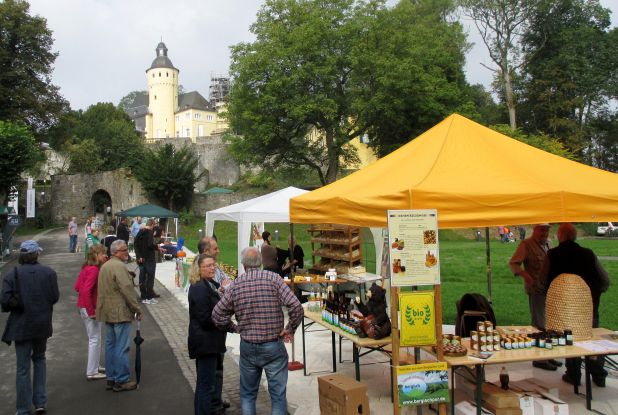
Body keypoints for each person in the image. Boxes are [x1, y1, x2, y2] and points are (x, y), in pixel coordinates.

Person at [212, 247, 303, 415]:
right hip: (273, 345)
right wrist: (290, 328)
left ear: (244, 265)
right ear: (260, 263)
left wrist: (234, 328)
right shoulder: (274, 279)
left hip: (248, 345)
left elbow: (217, 314)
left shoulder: (236, 284)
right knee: (277, 395)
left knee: (247, 395)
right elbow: (296, 306)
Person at [542, 223, 610, 387]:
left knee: (568, 338)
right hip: (588, 306)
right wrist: (598, 290)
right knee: (591, 339)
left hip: (562, 309)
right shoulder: (588, 254)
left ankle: (573, 374)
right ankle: (598, 374)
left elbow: (542, 279)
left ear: (560, 236)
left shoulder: (552, 254)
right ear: (575, 236)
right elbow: (605, 279)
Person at [1, 240, 59, 415]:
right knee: (40, 359)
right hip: (41, 323)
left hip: (21, 324)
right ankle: (40, 401)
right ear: (37, 254)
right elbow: (54, 297)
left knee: (23, 367)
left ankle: (23, 408)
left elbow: (4, 300)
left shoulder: (13, 274)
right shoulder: (48, 273)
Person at [508, 223, 559, 371]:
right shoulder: (526, 244)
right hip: (536, 289)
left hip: (551, 289)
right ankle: (539, 359)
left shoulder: (549, 244)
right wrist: (525, 275)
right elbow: (514, 263)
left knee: (551, 324)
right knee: (539, 324)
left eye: (547, 230)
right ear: (535, 230)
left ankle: (549, 355)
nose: (544, 232)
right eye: (541, 229)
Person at [96, 240, 142, 392]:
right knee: (122, 346)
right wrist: (136, 309)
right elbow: (127, 289)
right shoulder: (119, 266)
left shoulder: (106, 265)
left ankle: (111, 377)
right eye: (123, 250)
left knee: (111, 345)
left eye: (126, 249)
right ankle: (121, 380)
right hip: (119, 311)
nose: (126, 252)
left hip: (108, 311)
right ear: (115, 252)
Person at [188, 254, 228, 415]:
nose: (213, 268)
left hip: (210, 342)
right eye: (208, 266)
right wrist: (224, 321)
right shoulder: (198, 288)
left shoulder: (208, 284)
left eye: (214, 265)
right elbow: (205, 318)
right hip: (205, 342)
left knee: (205, 384)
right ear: (199, 268)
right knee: (206, 386)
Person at [74, 244, 108, 380]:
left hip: (83, 306)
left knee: (95, 338)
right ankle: (92, 371)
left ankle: (95, 366)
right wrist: (91, 310)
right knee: (94, 339)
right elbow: (85, 290)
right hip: (90, 308)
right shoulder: (94, 270)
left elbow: (77, 287)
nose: (105, 256)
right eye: (103, 254)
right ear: (97, 255)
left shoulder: (86, 268)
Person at [134, 220, 162, 305]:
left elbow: (135, 244)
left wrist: (139, 256)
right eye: (154, 225)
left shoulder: (140, 231)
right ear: (153, 225)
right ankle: (149, 297)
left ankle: (144, 297)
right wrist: (157, 246)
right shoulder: (149, 232)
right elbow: (150, 244)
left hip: (141, 259)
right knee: (150, 278)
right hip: (149, 259)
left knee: (142, 278)